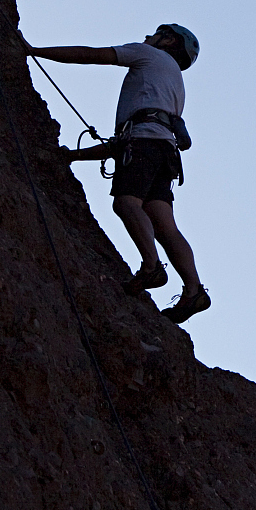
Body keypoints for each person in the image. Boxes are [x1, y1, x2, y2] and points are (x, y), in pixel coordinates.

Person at [25, 23, 211, 323]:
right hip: (164, 153)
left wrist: (35, 51)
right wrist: (74, 156)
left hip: (145, 146)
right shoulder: (174, 84)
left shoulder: (147, 54)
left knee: (125, 203)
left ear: (168, 41)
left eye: (157, 32)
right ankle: (193, 290)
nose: (149, 35)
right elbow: (128, 139)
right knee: (164, 226)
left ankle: (152, 267)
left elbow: (90, 56)